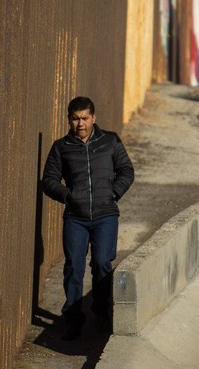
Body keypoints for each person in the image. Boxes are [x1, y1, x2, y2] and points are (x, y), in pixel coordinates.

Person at [42, 96, 134, 339]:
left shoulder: (110, 141)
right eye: (75, 119)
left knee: (102, 263)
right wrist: (69, 196)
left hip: (106, 215)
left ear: (94, 117)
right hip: (75, 218)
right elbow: (49, 180)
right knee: (74, 267)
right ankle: (73, 320)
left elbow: (126, 170)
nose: (80, 123)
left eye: (84, 118)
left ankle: (101, 312)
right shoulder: (61, 147)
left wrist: (114, 192)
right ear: (69, 120)